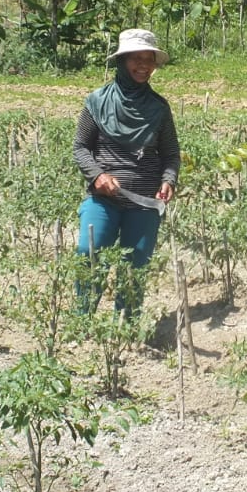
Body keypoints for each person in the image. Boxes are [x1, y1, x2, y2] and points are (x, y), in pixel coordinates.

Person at [73, 28, 180, 318]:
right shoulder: (97, 102)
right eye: (136, 58)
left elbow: (170, 154)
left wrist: (168, 180)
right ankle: (82, 323)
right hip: (103, 200)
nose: (144, 66)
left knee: (135, 267)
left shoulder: (159, 108)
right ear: (122, 61)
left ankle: (127, 327)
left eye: (149, 60)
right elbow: (81, 148)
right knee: (89, 255)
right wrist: (98, 175)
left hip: (144, 202)